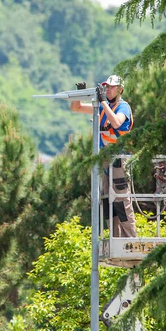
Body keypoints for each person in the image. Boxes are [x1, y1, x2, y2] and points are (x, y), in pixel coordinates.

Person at [71, 75, 137, 237]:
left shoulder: (123, 107)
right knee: (108, 200)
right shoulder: (103, 107)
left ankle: (131, 238)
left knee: (122, 200)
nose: (108, 90)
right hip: (106, 160)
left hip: (120, 159)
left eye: (112, 87)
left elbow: (116, 123)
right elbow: (76, 108)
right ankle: (115, 237)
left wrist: (102, 102)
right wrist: (80, 95)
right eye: (106, 87)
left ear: (120, 90)